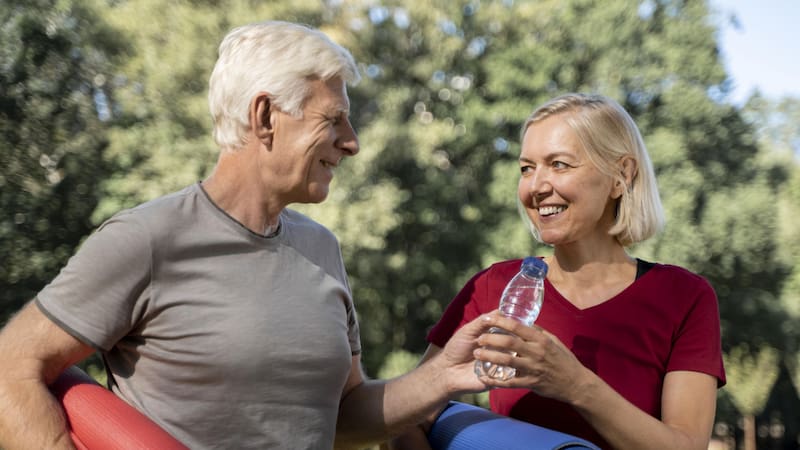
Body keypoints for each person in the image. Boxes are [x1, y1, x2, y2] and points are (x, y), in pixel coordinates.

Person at [0, 21, 497, 450]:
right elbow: (10, 369)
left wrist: (442, 376)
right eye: (333, 120)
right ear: (265, 117)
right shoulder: (146, 238)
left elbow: (342, 416)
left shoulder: (321, 248)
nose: (352, 143)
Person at [393, 93, 726, 450]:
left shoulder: (683, 296)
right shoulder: (493, 287)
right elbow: (405, 420)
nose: (536, 186)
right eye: (526, 168)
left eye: (560, 164)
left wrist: (576, 386)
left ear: (621, 176)